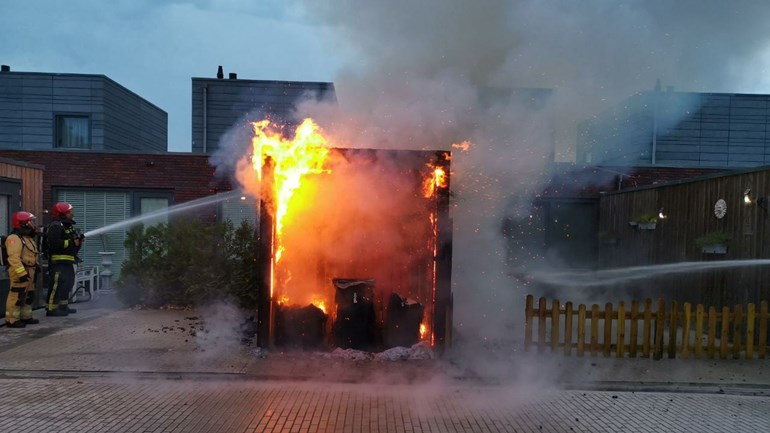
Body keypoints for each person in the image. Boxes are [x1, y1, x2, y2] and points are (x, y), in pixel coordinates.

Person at [45, 202, 83, 317]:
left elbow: (71, 241)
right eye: (69, 212)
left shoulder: (67, 225)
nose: (72, 214)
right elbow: (54, 243)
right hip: (58, 262)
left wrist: (78, 241)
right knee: (56, 284)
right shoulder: (56, 226)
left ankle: (63, 306)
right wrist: (72, 242)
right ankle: (51, 308)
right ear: (62, 214)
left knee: (68, 283)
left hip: (67, 261)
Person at [4, 211, 40, 328]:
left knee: (29, 295)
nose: (32, 224)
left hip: (30, 271)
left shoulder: (27, 238)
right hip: (20, 271)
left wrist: (37, 265)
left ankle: (26, 316)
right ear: (22, 223)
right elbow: (14, 258)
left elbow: (31, 254)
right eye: (30, 222)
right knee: (17, 296)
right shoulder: (14, 238)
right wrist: (22, 273)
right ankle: (12, 319)